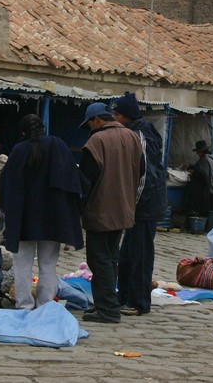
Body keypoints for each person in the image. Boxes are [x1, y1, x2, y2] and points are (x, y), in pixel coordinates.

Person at [0, 114, 86, 311]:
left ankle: (24, 305)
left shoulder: (19, 150)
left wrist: (9, 211)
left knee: (22, 266)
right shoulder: (58, 146)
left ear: (22, 132)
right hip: (53, 219)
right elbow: (74, 180)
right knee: (48, 265)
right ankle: (46, 304)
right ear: (43, 128)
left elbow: (5, 187)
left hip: (23, 220)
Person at [78, 102, 143, 324]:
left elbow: (87, 178)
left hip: (101, 209)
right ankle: (107, 303)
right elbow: (142, 169)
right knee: (111, 258)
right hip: (124, 207)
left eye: (89, 123)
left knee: (100, 261)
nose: (89, 127)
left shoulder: (96, 141)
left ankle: (107, 310)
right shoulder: (132, 137)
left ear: (96, 119)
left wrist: (79, 208)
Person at [112, 92, 167, 317]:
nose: (113, 118)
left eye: (116, 114)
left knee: (141, 256)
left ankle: (139, 302)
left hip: (144, 206)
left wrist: (131, 206)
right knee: (127, 255)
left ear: (126, 116)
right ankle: (124, 296)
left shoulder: (140, 136)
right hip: (139, 205)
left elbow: (145, 175)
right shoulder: (136, 131)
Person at [182, 140, 213, 216]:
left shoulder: (204, 160)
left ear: (201, 151)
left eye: (198, 151)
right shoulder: (208, 159)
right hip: (204, 188)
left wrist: (193, 172)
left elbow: (203, 173)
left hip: (202, 189)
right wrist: (190, 166)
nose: (197, 153)